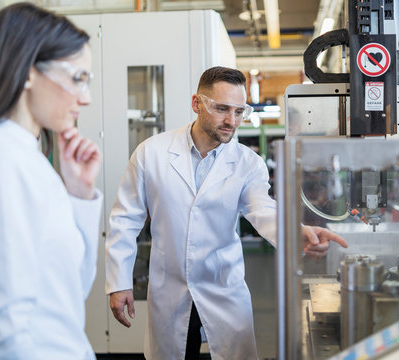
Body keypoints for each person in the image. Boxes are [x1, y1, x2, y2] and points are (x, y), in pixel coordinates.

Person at [106, 66, 347, 359]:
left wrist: (297, 233)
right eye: (221, 109)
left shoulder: (247, 162)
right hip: (169, 286)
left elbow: (263, 210)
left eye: (238, 111)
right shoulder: (151, 153)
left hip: (222, 285)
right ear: (197, 103)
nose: (231, 121)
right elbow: (125, 218)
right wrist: (119, 282)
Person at [0, 3, 102, 359]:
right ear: (28, 72)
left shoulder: (30, 158)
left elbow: (71, 287)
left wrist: (80, 194)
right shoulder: (4, 159)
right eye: (77, 78)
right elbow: (4, 323)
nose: (84, 98)